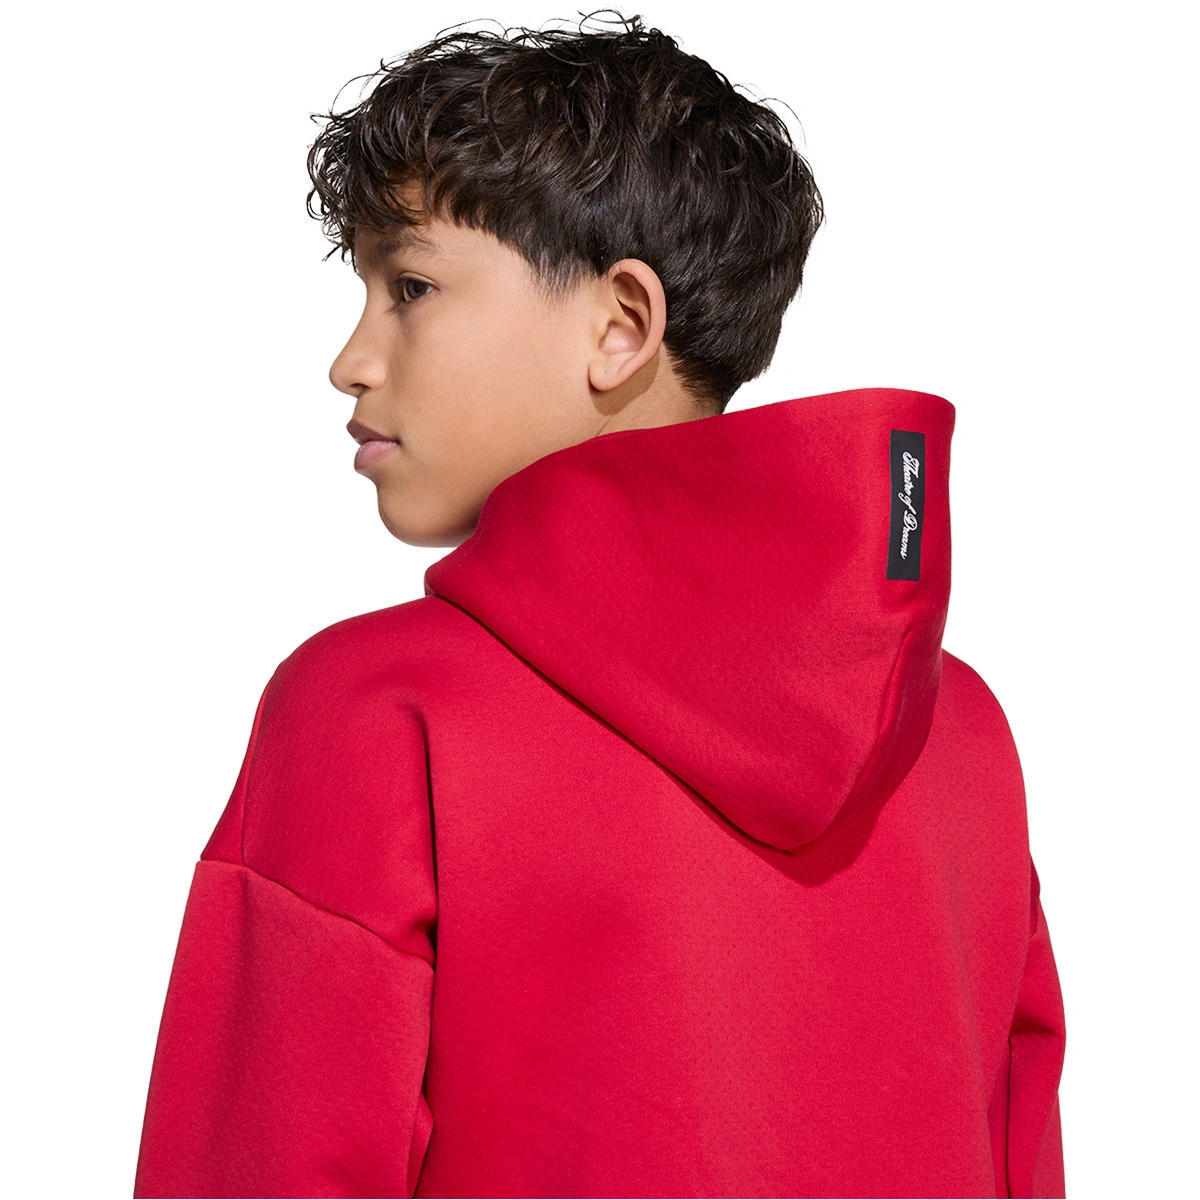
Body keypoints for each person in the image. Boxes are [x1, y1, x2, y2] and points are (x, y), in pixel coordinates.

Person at [132, 12, 1066, 1198]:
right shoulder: (953, 733)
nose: (352, 358)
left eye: (409, 286)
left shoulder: (380, 714)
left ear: (620, 326)